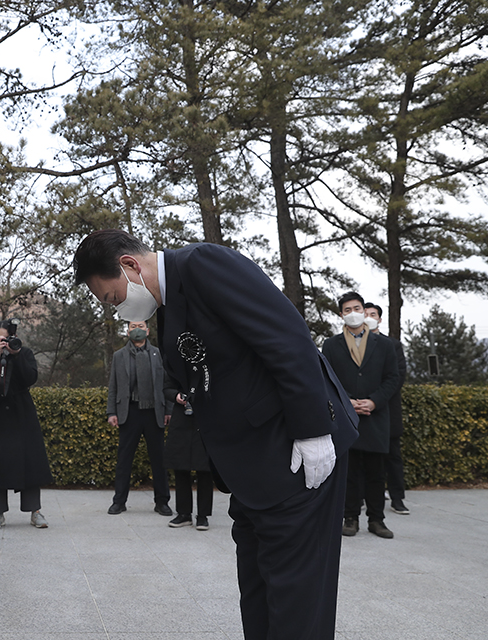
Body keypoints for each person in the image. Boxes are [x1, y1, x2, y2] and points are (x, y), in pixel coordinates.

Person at [74, 229, 359, 640]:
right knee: (259, 592)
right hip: (251, 472)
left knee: (298, 597)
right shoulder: (169, 304)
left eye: (114, 298)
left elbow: (287, 339)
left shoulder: (206, 264)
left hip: (295, 455)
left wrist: (314, 433)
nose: (118, 312)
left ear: (130, 266)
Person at [322, 292, 399, 540]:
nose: (353, 312)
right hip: (347, 417)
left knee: (376, 473)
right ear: (341, 314)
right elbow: (327, 378)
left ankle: (377, 519)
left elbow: (393, 378)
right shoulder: (332, 345)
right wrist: (347, 402)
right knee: (350, 472)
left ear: (364, 310)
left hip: (375, 416)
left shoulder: (385, 345)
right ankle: (350, 517)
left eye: (357, 307)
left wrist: (374, 401)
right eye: (347, 309)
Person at [0, 320, 54, 530]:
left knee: (29, 462)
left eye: (8, 338)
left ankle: (35, 511)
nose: (6, 343)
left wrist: (16, 354)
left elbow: (30, 377)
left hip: (22, 414)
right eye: (2, 339)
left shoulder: (25, 354)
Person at [106, 320, 173, 516]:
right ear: (127, 331)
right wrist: (112, 412)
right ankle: (119, 502)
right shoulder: (119, 356)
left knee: (159, 460)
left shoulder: (159, 354)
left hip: (154, 413)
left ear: (148, 330)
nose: (137, 330)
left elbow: (167, 384)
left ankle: (162, 502)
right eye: (133, 326)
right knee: (124, 460)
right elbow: (113, 386)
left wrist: (168, 410)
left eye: (141, 327)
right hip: (130, 412)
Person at [363, 302, 409, 515]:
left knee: (393, 456)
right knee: (362, 456)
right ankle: (363, 498)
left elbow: (397, 377)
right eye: (365, 314)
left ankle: (398, 498)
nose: (368, 317)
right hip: (362, 409)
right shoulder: (354, 345)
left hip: (387, 409)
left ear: (380, 319)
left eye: (373, 314)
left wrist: (376, 399)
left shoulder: (393, 345)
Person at [162, 406, 214, 531]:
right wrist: (176, 395)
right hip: (181, 419)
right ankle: (184, 514)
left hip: (206, 418)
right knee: (180, 467)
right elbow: (168, 388)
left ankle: (203, 515)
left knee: (205, 470)